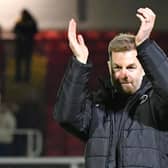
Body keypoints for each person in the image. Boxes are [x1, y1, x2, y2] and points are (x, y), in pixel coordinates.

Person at [54, 7, 168, 168]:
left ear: (144, 67)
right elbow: (65, 116)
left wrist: (145, 46)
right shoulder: (97, 108)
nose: (123, 74)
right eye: (117, 67)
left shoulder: (156, 105)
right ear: (109, 67)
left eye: (130, 67)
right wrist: (79, 63)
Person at [13, 9, 38, 82]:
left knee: (21, 63)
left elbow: (14, 31)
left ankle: (19, 78)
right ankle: (25, 78)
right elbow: (35, 31)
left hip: (22, 45)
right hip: (27, 45)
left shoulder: (20, 22)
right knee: (26, 63)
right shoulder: (32, 22)